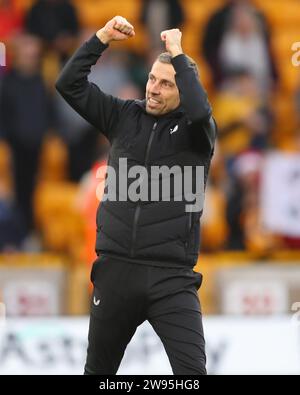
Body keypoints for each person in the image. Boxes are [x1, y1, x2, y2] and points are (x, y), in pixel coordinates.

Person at [56, 16, 217, 375]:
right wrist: (100, 39)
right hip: (115, 273)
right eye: (151, 79)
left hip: (171, 277)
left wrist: (177, 53)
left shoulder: (197, 132)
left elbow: (200, 109)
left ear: (182, 90)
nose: (154, 89)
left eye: (166, 84)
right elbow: (68, 84)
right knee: (97, 373)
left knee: (192, 375)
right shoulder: (123, 115)